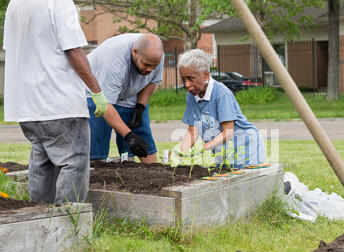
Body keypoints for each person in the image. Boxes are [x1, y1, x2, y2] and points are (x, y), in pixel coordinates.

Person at [3, 0, 148, 204]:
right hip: (58, 102)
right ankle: (70, 222)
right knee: (74, 162)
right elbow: (73, 50)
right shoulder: (59, 2)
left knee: (42, 161)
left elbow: (13, 48)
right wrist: (97, 92)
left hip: (26, 103)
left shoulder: (16, 4)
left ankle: (41, 219)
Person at [176, 49, 265, 168]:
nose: (186, 85)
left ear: (206, 75)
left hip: (245, 147)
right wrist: (180, 153)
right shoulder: (191, 96)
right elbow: (193, 130)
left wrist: (202, 148)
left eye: (191, 78)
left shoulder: (221, 93)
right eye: (183, 79)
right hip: (222, 150)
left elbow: (228, 132)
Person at [86, 33, 164, 163]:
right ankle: (97, 170)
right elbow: (105, 105)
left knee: (141, 132)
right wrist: (128, 135)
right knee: (98, 148)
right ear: (134, 52)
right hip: (95, 93)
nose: (150, 69)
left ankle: (144, 165)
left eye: (153, 66)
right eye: (146, 65)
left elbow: (152, 81)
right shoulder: (114, 63)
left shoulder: (155, 56)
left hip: (129, 91)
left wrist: (140, 106)